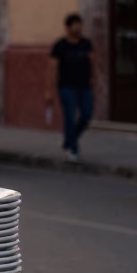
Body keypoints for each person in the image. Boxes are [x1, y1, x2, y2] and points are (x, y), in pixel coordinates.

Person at [47, 12, 96, 162]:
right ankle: (73, 149)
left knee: (87, 115)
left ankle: (69, 138)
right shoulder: (60, 46)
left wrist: (94, 78)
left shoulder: (86, 44)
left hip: (84, 86)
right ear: (68, 28)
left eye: (80, 25)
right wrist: (49, 90)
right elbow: (52, 69)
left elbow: (92, 62)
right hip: (66, 87)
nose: (79, 28)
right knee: (69, 116)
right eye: (75, 25)